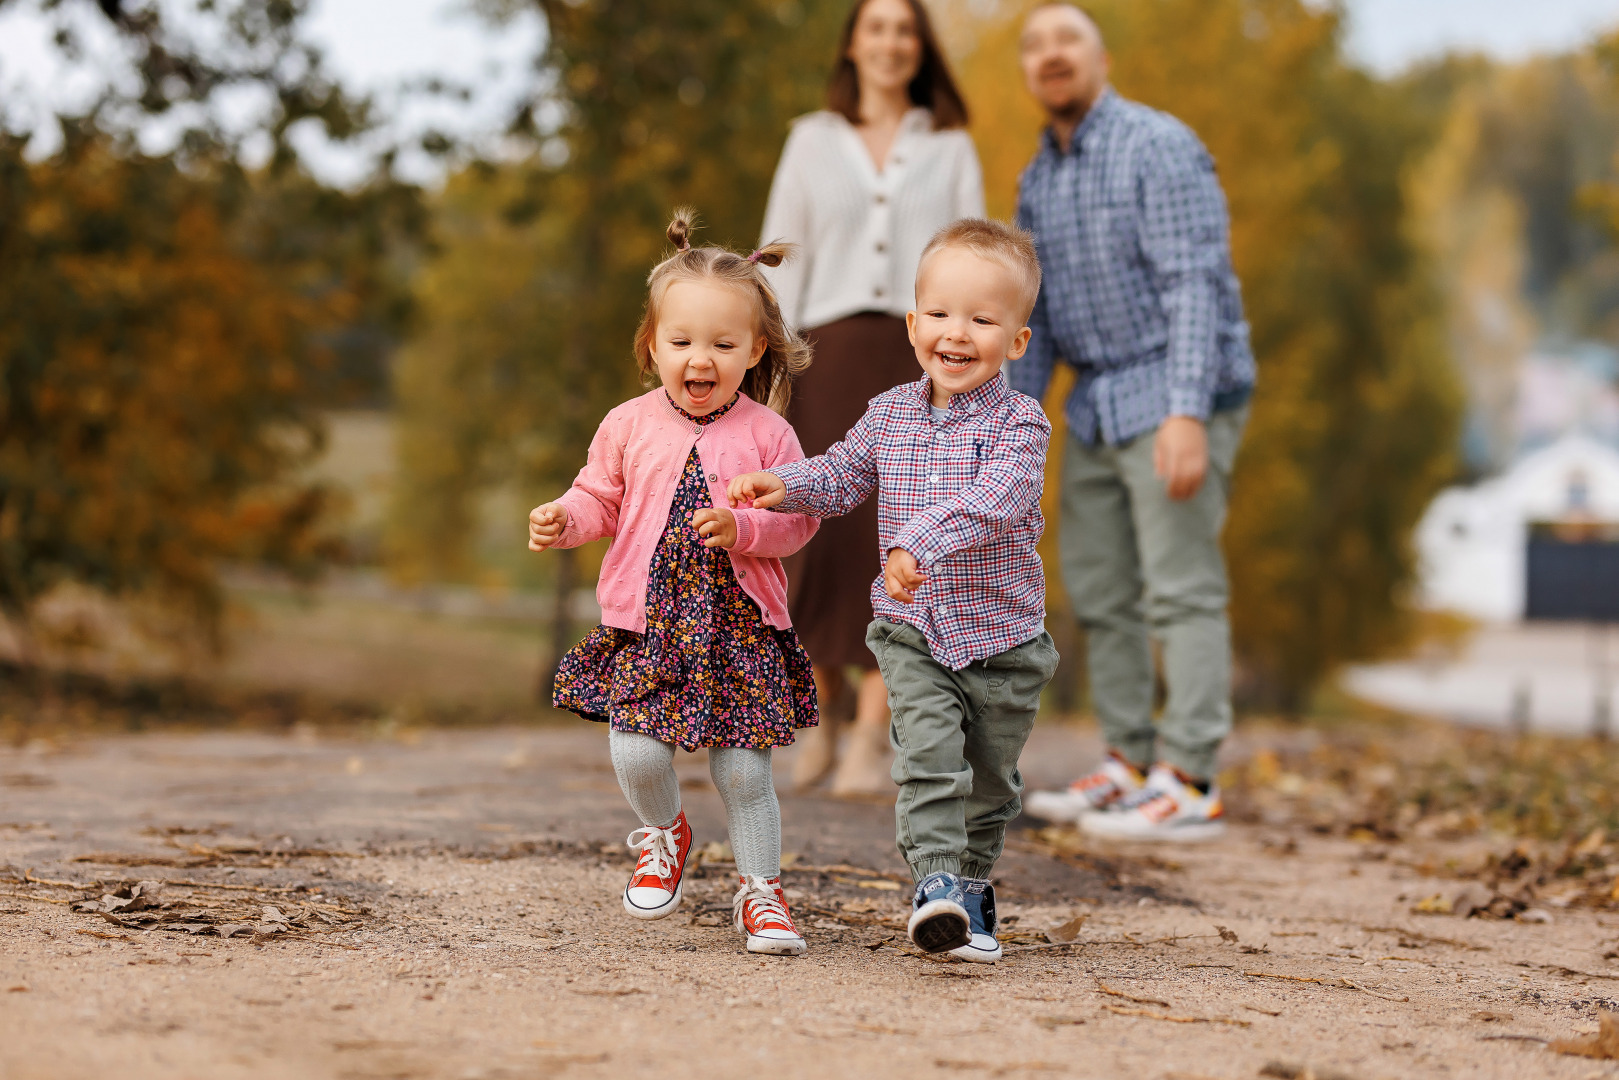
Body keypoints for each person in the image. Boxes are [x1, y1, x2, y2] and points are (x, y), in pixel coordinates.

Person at [728, 219, 1057, 964]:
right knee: (929, 758)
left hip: (1001, 639)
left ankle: (969, 896)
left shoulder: (1020, 426)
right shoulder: (889, 414)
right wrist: (786, 486)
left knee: (990, 782)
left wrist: (921, 540)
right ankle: (934, 886)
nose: (955, 333)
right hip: (910, 630)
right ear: (913, 324)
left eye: (981, 319)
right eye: (939, 314)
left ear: (1016, 341)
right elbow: (842, 475)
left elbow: (995, 498)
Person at [526, 211, 820, 956]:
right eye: (682, 341)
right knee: (637, 753)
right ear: (651, 345)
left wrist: (746, 529)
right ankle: (664, 835)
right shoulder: (626, 423)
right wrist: (566, 515)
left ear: (754, 349)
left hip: (738, 627)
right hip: (649, 622)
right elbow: (600, 496)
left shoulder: (768, 434)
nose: (701, 358)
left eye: (723, 344)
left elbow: (799, 522)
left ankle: (761, 894)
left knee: (744, 771)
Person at [1010, 3, 1256, 842]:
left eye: (1065, 40)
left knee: (1179, 588)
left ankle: (1190, 780)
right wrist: (1004, 430)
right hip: (1097, 402)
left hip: (1178, 389)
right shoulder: (1036, 181)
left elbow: (1194, 284)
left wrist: (1184, 414)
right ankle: (1130, 763)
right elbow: (1032, 323)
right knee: (1101, 591)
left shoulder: (1157, 146)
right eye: (1033, 46)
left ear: (1099, 57)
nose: (1050, 55)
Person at [758, 0, 984, 796]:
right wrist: (769, 375)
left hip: (918, 355)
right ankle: (819, 723)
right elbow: (777, 260)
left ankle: (868, 739)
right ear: (852, 42)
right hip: (824, 355)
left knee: (898, 537)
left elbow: (973, 261)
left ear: (918, 48)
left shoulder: (950, 146)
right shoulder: (809, 139)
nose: (889, 42)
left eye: (904, 30)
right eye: (875, 27)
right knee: (821, 535)